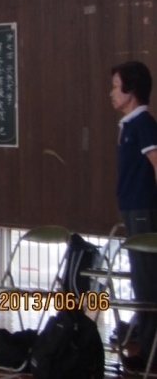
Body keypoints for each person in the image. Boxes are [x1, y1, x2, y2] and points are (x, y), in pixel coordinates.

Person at [110, 61, 157, 372]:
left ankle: (150, 356)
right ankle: (145, 348)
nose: (111, 93)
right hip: (132, 210)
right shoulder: (129, 124)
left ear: (132, 90)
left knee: (148, 284)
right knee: (141, 283)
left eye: (116, 87)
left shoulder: (143, 124)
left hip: (143, 211)